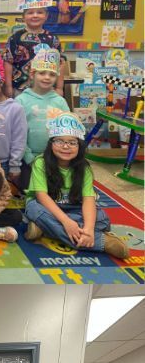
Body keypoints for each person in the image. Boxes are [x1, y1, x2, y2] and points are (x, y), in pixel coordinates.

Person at [24, 109, 129, 259]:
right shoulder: (40, 162)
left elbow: (88, 199)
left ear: (79, 146)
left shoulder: (84, 168)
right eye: (59, 141)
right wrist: (66, 222)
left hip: (73, 207)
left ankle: (44, 228)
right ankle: (102, 242)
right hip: (46, 206)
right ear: (51, 143)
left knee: (102, 218)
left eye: (72, 142)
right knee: (34, 210)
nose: (65, 146)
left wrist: (89, 229)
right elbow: (42, 196)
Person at [16, 45, 70, 191]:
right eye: (42, 73)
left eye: (52, 74)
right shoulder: (21, 101)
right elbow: (17, 134)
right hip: (29, 159)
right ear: (32, 74)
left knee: (55, 192)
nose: (47, 77)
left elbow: (67, 131)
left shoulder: (60, 102)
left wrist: (61, 155)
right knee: (29, 192)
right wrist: (29, 157)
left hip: (55, 159)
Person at [4, 0, 67, 97]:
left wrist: (59, 88)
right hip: (20, 90)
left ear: (46, 16)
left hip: (46, 89)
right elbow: (8, 62)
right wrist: (8, 86)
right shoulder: (15, 38)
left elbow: (60, 63)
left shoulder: (53, 39)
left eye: (39, 12)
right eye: (30, 12)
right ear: (23, 16)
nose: (35, 15)